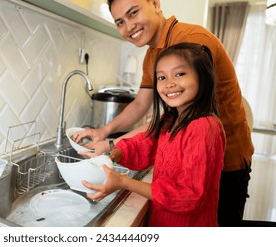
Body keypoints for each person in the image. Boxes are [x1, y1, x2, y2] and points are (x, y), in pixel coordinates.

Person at [73, 0, 254, 227]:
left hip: (226, 160)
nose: (129, 26)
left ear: (155, 3)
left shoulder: (193, 40)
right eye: (120, 22)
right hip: (184, 158)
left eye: (133, 12)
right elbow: (141, 105)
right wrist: (105, 135)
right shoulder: (152, 55)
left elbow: (173, 120)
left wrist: (117, 151)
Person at [82, 42, 225, 226]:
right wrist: (114, 154)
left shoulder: (204, 127)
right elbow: (144, 144)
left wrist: (124, 182)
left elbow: (189, 195)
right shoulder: (170, 119)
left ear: (203, 77)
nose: (169, 84)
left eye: (180, 74)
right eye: (161, 77)